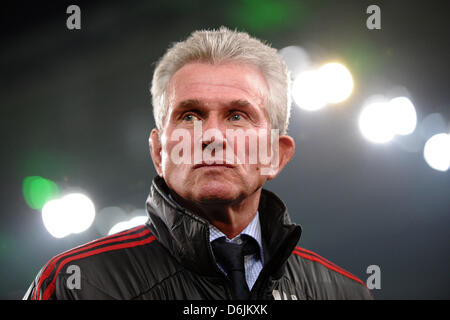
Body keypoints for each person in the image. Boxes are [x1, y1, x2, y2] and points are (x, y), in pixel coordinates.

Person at [24, 27, 372, 300]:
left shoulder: (346, 293)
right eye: (190, 116)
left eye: (237, 116)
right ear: (159, 153)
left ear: (275, 155)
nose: (211, 136)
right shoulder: (79, 286)